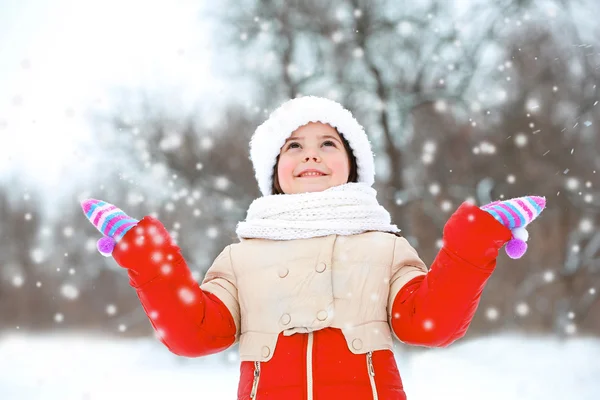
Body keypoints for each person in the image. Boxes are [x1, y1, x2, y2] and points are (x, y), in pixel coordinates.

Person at [81, 96, 546, 400]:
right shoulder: (240, 257)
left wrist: (473, 242)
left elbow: (430, 325)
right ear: (274, 172)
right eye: (294, 146)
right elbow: (194, 333)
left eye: (328, 143)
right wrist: (145, 254)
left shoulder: (383, 246)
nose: (311, 154)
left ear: (351, 166)